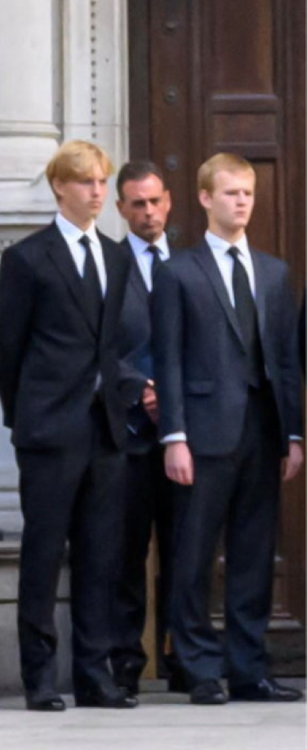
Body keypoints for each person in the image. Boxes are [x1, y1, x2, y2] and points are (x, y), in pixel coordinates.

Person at [0, 140, 136, 711]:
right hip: (49, 429)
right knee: (44, 554)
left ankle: (95, 677)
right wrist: (23, 415)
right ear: (59, 187)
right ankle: (40, 677)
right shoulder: (28, 257)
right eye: (85, 182)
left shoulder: (116, 254)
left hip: (106, 429)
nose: (96, 192)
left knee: (101, 555)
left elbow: (115, 341)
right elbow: (6, 345)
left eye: (101, 182)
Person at [153, 153, 303, 705]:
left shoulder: (274, 271)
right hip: (201, 436)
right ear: (204, 198)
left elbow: (284, 361)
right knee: (192, 558)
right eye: (231, 192)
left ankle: (248, 669)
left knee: (253, 558)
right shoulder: (178, 273)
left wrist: (293, 435)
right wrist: (174, 437)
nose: (242, 202)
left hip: (262, 437)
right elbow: (166, 359)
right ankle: (199, 669)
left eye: (248, 193)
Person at [111, 160, 184, 695]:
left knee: (186, 550)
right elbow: (92, 346)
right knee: (127, 551)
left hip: (185, 433)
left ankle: (186, 659)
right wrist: (140, 387)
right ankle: (126, 664)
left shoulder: (190, 266)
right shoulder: (106, 267)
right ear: (121, 209)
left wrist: (176, 399)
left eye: (155, 201)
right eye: (137, 203)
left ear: (170, 202)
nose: (148, 212)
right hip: (130, 434)